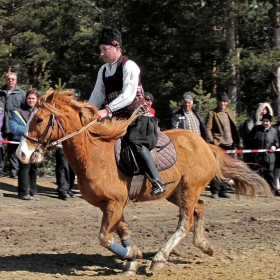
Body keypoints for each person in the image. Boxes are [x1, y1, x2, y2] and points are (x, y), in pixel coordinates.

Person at [88, 27, 169, 196]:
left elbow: (128, 95)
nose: (101, 54)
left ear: (117, 48)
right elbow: (97, 94)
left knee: (135, 142)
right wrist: (88, 112)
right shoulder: (103, 70)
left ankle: (157, 181)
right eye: (100, 50)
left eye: (105, 49)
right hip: (119, 120)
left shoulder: (129, 66)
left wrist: (106, 110)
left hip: (138, 116)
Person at [205, 92, 240, 199]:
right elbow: (207, 129)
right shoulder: (212, 113)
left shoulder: (229, 112)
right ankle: (215, 191)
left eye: (224, 102)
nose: (222, 104)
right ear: (218, 102)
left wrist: (236, 142)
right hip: (218, 144)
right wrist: (212, 141)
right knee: (216, 169)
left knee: (226, 169)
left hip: (230, 144)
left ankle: (224, 190)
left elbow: (233, 127)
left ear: (227, 103)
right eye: (221, 102)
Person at [9, 89, 39, 200]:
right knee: (24, 166)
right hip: (23, 143)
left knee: (34, 167)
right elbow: (13, 127)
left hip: (36, 144)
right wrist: (29, 130)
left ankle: (33, 191)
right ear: (26, 99)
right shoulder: (18, 112)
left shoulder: (40, 112)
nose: (31, 100)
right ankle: (23, 192)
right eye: (29, 98)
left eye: (33, 98)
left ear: (37, 100)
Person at [55, 89, 80, 200]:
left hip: (74, 143)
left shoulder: (78, 112)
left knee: (71, 167)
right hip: (62, 141)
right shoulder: (62, 111)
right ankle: (62, 190)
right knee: (62, 166)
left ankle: (68, 188)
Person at [0, 72, 26, 178]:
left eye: (12, 79)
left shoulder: (22, 94)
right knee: (0, 149)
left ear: (16, 81)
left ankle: (13, 171)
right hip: (1, 125)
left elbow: (25, 110)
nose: (10, 81)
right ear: (6, 80)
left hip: (13, 126)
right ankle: (0, 170)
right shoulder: (0, 92)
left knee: (14, 149)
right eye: (8, 79)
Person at [247, 114, 279, 196]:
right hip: (257, 156)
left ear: (270, 123)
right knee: (255, 174)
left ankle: (270, 191)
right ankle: (254, 190)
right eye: (264, 121)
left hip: (269, 156)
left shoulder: (274, 131)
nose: (265, 123)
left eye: (267, 121)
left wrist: (275, 146)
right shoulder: (256, 129)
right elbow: (249, 140)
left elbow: (277, 141)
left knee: (269, 174)